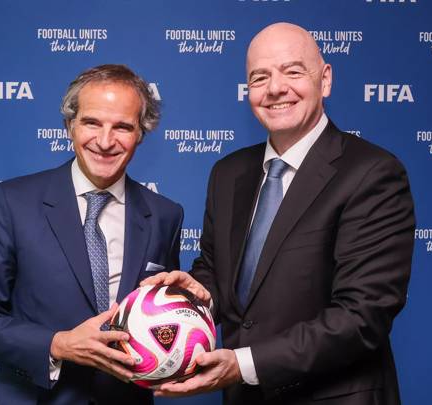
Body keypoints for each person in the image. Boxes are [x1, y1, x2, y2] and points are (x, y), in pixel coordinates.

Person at [142, 22, 416, 404]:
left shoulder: (372, 173)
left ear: (326, 80)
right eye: (260, 77)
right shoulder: (228, 173)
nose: (275, 88)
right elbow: (216, 271)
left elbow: (362, 315)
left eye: (292, 71)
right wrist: (197, 297)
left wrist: (243, 364)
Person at [0, 64, 183, 405]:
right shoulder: (12, 202)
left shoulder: (165, 215)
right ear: (70, 125)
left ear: (140, 134)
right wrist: (57, 344)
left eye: (122, 127)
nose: (105, 141)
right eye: (92, 122)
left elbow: (163, 319)